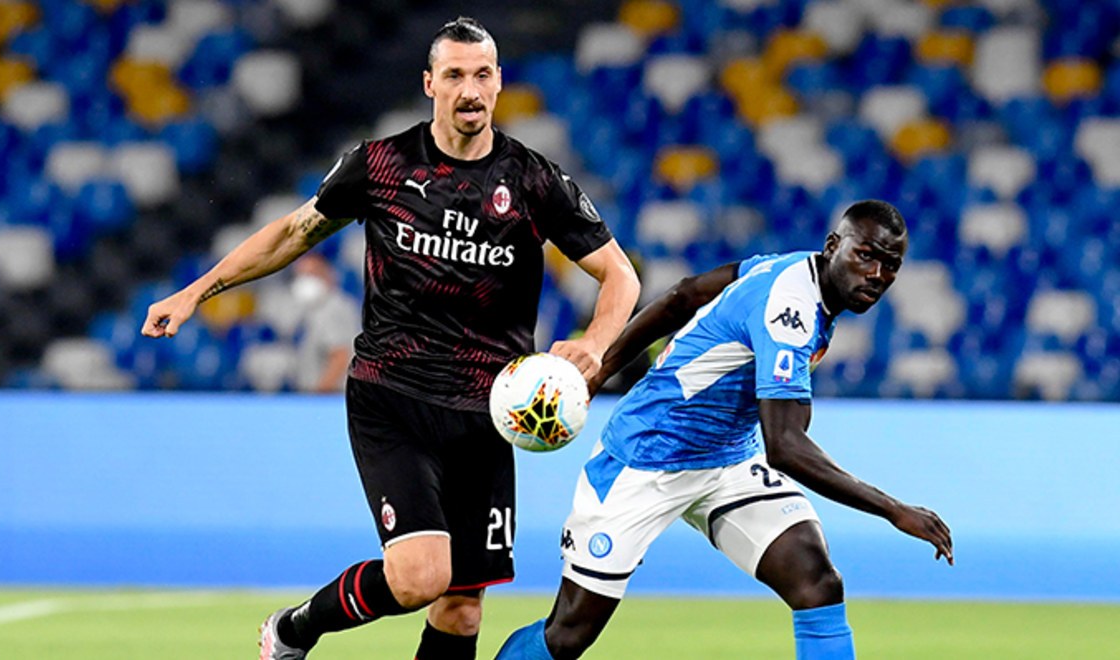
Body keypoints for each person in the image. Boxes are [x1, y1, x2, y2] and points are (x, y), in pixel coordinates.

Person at [140, 16, 640, 660]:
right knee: (420, 577)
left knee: (461, 608)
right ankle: (294, 629)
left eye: (482, 75)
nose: (469, 90)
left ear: (498, 83)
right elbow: (293, 232)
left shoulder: (534, 181)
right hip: (392, 395)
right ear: (430, 83)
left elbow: (619, 275)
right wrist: (196, 291)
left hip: (487, 412)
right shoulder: (380, 164)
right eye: (454, 75)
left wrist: (595, 345)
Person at [496, 200, 954, 660]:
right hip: (647, 457)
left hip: (727, 461)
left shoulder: (790, 269)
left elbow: (685, 294)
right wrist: (894, 510)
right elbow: (786, 448)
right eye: (866, 256)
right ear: (833, 245)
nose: (876, 274)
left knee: (817, 583)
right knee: (568, 634)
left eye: (890, 265)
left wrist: (603, 367)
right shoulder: (789, 310)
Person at [290, 251, 358, 393]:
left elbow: (340, 356)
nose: (306, 281)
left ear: (329, 274)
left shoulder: (333, 307)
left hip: (331, 395)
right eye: (301, 275)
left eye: (312, 274)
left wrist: (319, 394)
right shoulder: (313, 309)